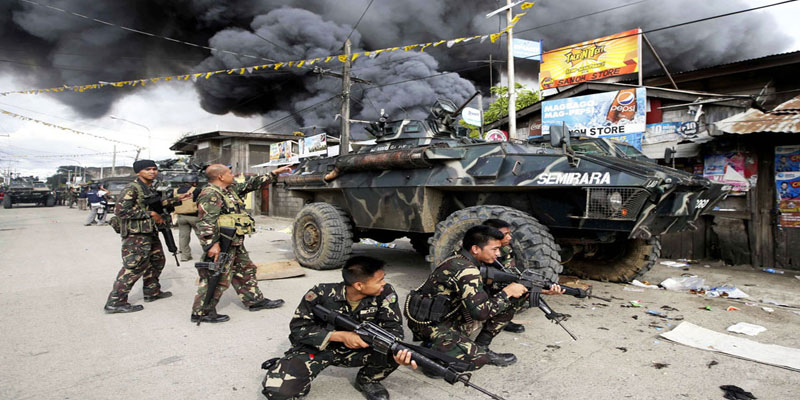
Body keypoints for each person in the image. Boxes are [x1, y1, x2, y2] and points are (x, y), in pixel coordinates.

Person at [262, 256, 416, 400]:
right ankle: (288, 364)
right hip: (318, 349)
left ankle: (368, 379)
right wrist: (340, 336)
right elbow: (298, 328)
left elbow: (393, 328)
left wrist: (397, 353)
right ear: (359, 285)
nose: (384, 283)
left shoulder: (385, 293)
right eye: (379, 280)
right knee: (279, 391)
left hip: (361, 349)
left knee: (393, 347)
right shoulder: (320, 294)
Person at [406, 225, 529, 369]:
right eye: (494, 249)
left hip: (443, 315)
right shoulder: (466, 270)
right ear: (476, 249)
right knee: (477, 359)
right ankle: (433, 357)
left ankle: (480, 345)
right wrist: (507, 292)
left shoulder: (460, 257)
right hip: (432, 324)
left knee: (510, 301)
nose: (498, 253)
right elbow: (481, 313)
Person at [190, 163, 293, 323]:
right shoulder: (210, 194)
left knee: (246, 270)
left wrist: (274, 173)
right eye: (230, 173)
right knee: (217, 277)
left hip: (235, 242)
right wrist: (211, 244)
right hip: (222, 244)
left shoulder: (229, 191)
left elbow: (252, 184)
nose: (234, 175)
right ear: (221, 176)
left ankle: (254, 300)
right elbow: (205, 222)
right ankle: (201, 312)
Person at [103, 160, 191, 314]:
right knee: (134, 266)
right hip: (136, 235)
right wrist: (150, 214)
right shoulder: (132, 188)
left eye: (154, 169)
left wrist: (178, 199)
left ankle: (152, 291)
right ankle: (115, 302)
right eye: (148, 169)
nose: (152, 172)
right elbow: (121, 211)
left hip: (149, 232)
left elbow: (154, 204)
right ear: (138, 172)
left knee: (157, 261)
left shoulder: (149, 188)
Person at [482, 219, 564, 334]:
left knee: (519, 290)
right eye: (505, 234)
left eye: (509, 233)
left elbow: (507, 274)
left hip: (490, 285)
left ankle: (500, 320)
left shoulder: (505, 250)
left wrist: (539, 289)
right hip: (476, 289)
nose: (510, 237)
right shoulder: (477, 250)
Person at [173, 175, 202, 261]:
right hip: (194, 217)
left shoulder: (175, 191)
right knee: (202, 236)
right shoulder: (196, 190)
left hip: (181, 217)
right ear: (194, 182)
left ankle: (185, 256)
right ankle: (208, 254)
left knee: (183, 236)